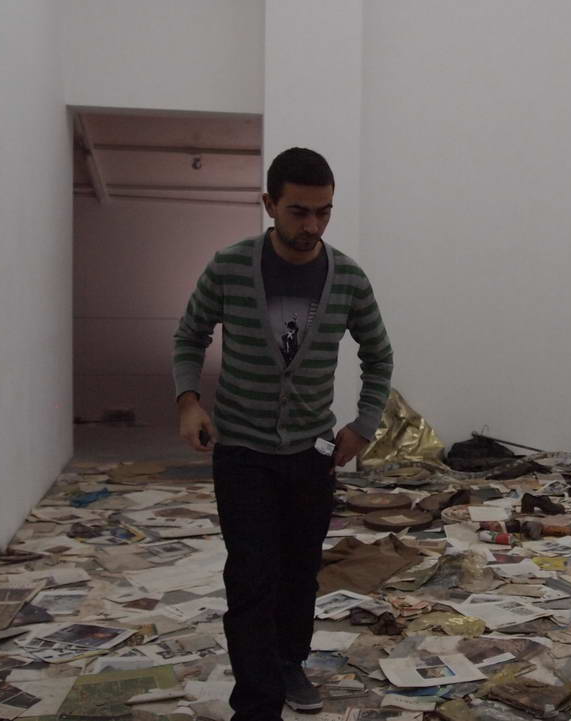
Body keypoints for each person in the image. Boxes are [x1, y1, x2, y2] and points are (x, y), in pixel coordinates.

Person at [172, 147, 394, 721]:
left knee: (299, 572)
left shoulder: (347, 278)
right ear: (269, 204)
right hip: (241, 451)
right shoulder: (230, 266)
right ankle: (257, 704)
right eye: (299, 211)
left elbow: (379, 355)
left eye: (324, 212)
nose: (312, 225)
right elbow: (190, 335)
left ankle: (289, 660)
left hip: (311, 454)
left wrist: (364, 425)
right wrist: (189, 401)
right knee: (251, 576)